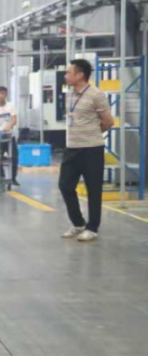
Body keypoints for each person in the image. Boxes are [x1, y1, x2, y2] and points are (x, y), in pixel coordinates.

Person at [59, 58, 114, 242]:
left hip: (92, 150)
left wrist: (92, 135)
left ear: (80, 75)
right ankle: (78, 223)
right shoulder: (70, 94)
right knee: (65, 185)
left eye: (69, 72)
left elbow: (108, 121)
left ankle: (92, 228)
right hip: (72, 148)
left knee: (93, 190)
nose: (65, 75)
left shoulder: (96, 95)